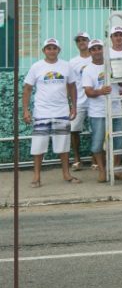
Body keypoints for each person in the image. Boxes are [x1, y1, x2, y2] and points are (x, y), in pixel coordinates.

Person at [23, 38, 80, 187]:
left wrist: (74, 107)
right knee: (38, 146)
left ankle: (66, 174)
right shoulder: (36, 67)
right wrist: (25, 110)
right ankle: (36, 177)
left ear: (58, 50)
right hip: (41, 112)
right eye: (48, 48)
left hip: (61, 111)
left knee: (63, 146)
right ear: (44, 51)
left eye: (54, 48)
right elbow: (27, 88)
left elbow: (72, 87)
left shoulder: (66, 66)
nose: (51, 50)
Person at [82, 39, 114, 183]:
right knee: (97, 144)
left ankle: (114, 169)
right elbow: (88, 92)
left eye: (99, 48)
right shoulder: (88, 69)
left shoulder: (112, 65)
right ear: (90, 52)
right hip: (98, 112)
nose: (97, 51)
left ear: (103, 49)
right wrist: (101, 91)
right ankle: (102, 170)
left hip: (116, 109)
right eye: (93, 49)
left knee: (119, 142)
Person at [68, 32, 92, 171]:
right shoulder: (73, 62)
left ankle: (96, 159)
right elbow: (70, 84)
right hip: (79, 101)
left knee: (97, 131)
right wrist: (70, 103)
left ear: (89, 41)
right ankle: (77, 159)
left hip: (96, 100)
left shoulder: (96, 57)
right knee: (74, 130)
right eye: (79, 40)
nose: (82, 42)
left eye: (84, 40)